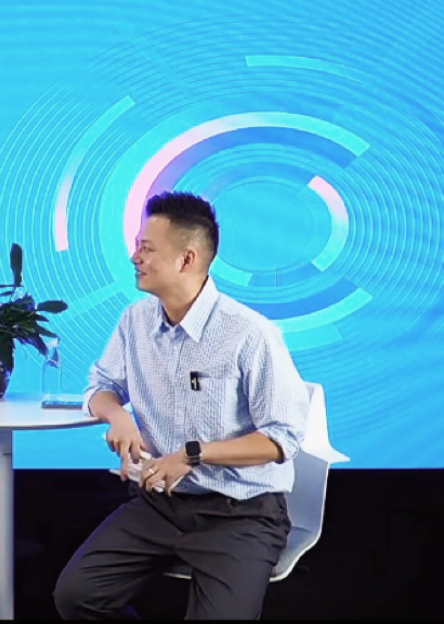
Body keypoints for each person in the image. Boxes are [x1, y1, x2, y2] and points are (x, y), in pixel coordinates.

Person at [53, 191, 309, 620]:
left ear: (187, 259)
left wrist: (192, 454)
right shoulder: (135, 320)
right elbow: (101, 386)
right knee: (76, 596)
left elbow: (282, 439)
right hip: (160, 505)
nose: (134, 257)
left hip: (240, 513)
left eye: (146, 248)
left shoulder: (250, 333)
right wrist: (118, 415)